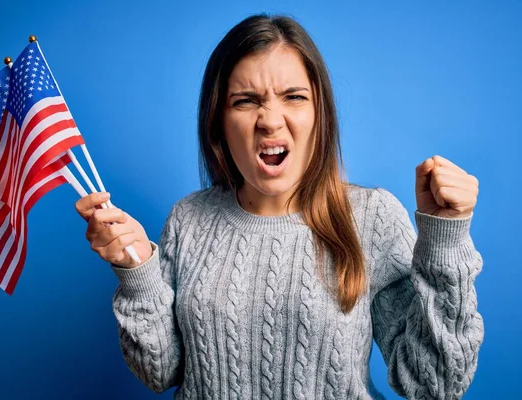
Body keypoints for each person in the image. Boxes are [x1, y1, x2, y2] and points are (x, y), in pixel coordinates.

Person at [74, 14, 484, 400]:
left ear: (319, 113)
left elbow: (436, 385)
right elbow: (159, 372)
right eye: (246, 101)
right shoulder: (188, 219)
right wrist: (138, 270)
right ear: (218, 121)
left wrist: (445, 242)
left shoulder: (371, 218)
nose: (270, 120)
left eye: (294, 96)